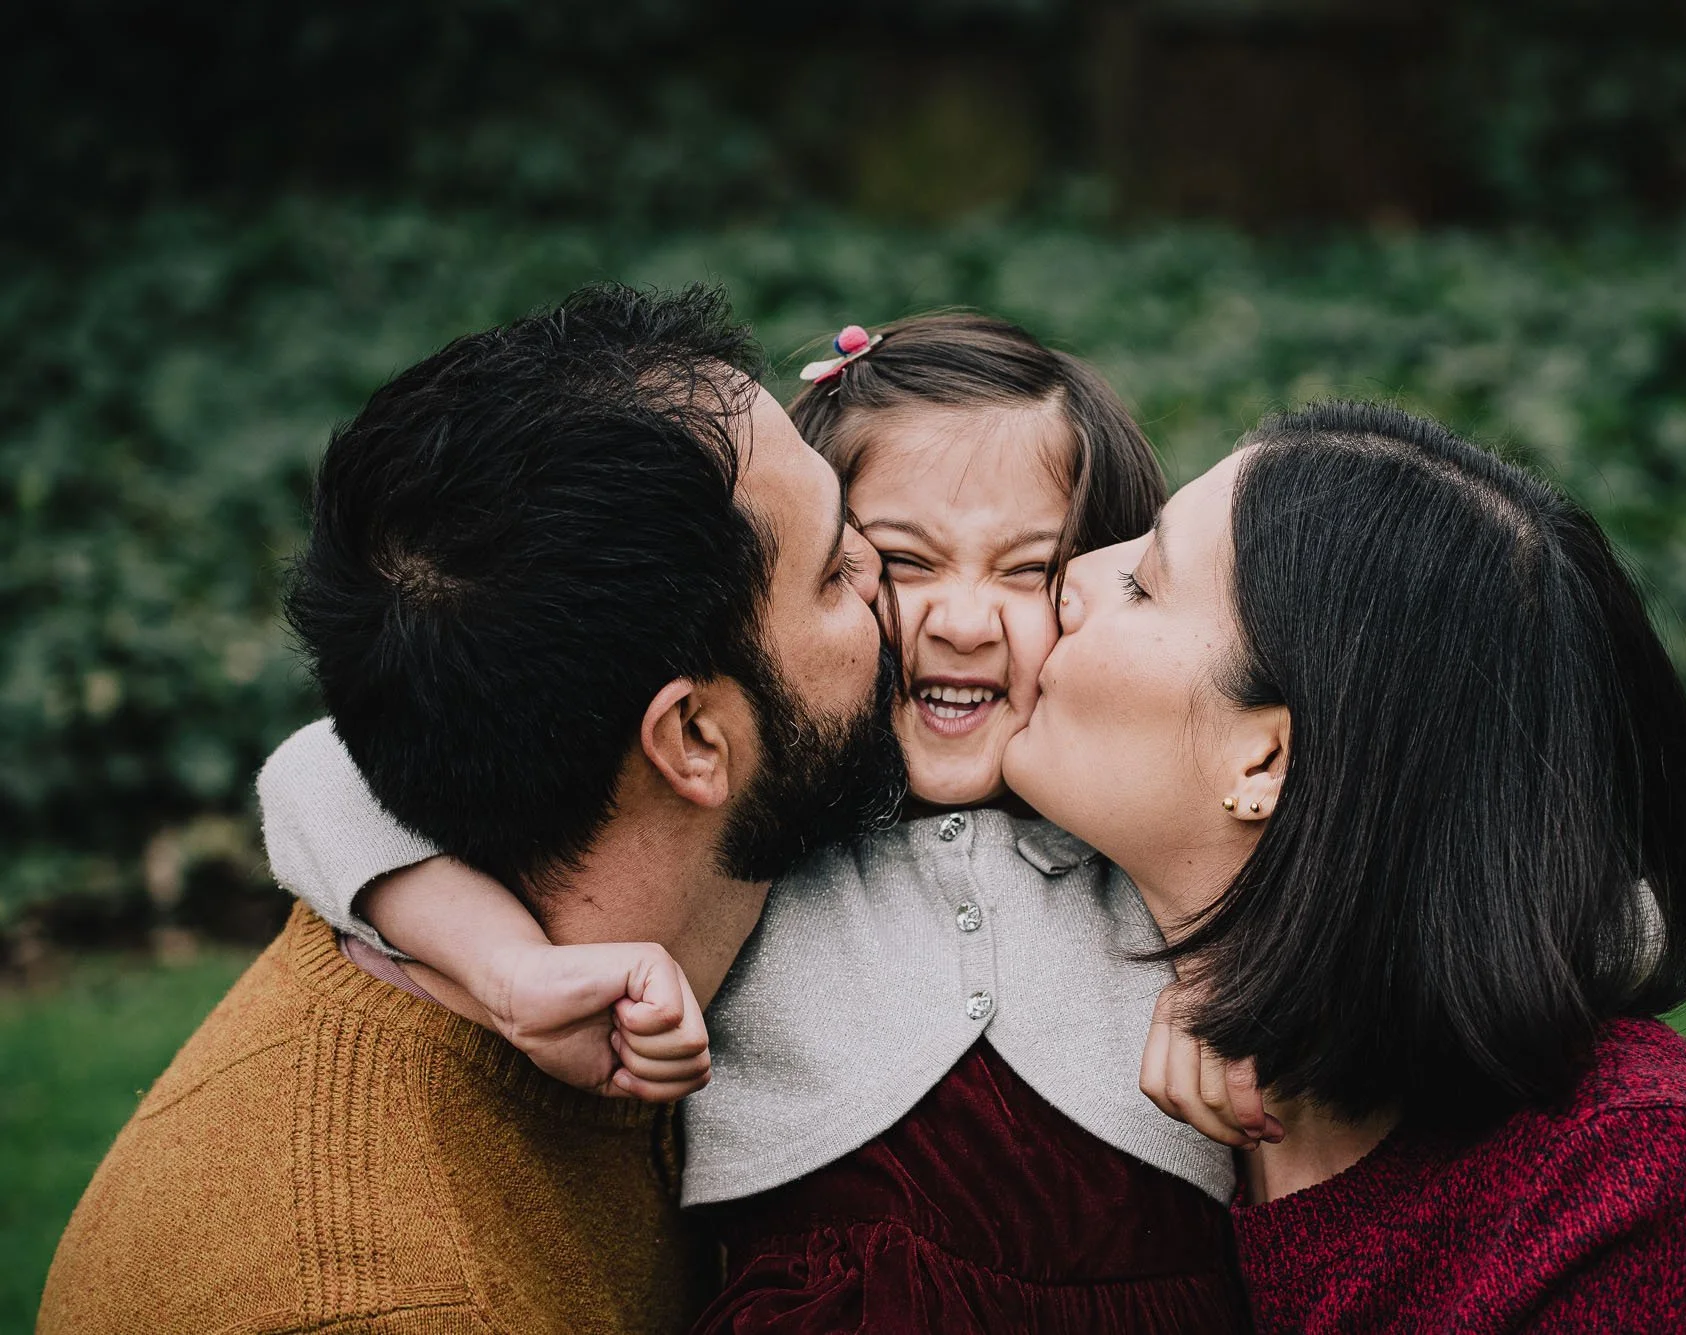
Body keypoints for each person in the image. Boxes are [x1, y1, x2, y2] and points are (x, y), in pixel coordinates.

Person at [252, 314, 1253, 1332]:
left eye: (1029, 570)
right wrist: (507, 967)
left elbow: (1360, 838)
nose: (960, 621)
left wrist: (1239, 967)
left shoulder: (1144, 827)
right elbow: (321, 778)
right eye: (898, 562)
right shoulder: (789, 819)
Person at [39, 284, 909, 1335]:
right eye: (829, 572)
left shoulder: (571, 906)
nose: (882, 574)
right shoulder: (370, 1300)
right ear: (690, 740)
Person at [1005, 401, 1686, 1331]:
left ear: (1264, 763)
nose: (1069, 578)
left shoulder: (1620, 1186)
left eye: (1143, 584)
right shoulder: (1095, 1013)